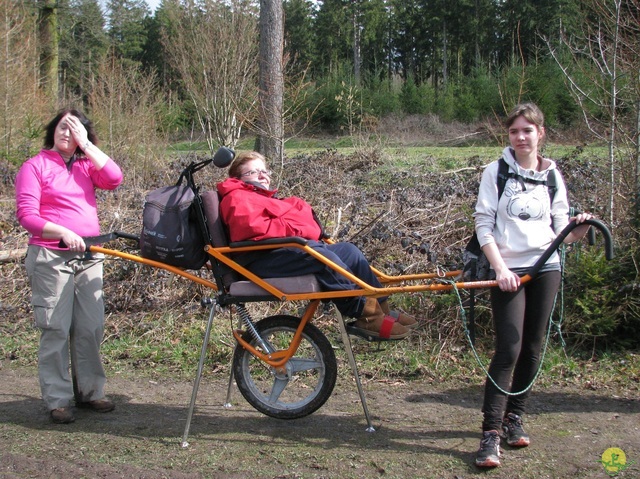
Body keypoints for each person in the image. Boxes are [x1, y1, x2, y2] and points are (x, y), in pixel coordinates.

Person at [473, 103, 593, 467]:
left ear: (540, 133)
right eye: (514, 131)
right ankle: (490, 433)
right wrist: (500, 268)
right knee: (509, 347)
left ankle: (514, 418)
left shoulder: (553, 175)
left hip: (546, 267)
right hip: (508, 269)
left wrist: (580, 229)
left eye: (527, 130)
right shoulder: (495, 173)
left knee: (534, 349)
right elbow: (483, 225)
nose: (521, 137)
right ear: (508, 136)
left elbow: (560, 232)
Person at [217, 151, 420, 340]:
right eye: (253, 172)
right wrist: (300, 228)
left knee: (349, 251)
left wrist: (300, 228)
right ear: (238, 178)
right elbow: (254, 230)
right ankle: (366, 315)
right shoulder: (237, 197)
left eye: (264, 170)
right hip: (260, 260)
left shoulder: (263, 198)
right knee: (321, 258)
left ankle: (381, 307)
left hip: (283, 251)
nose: (262, 176)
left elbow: (295, 227)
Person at [15, 109, 123, 424]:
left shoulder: (88, 166)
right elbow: (27, 216)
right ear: (53, 130)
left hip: (90, 255)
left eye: (76, 128)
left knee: (90, 327)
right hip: (51, 255)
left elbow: (115, 178)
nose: (69, 132)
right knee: (55, 329)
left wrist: (87, 145)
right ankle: (58, 400)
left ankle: (91, 393)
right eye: (64, 126)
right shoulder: (34, 166)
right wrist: (62, 232)